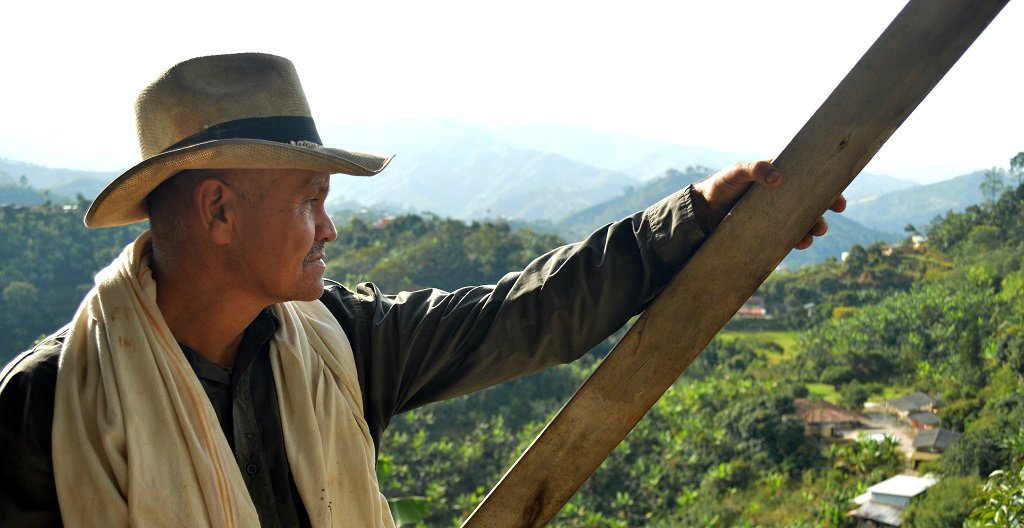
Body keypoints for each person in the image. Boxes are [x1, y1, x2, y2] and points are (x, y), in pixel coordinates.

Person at [0, 52, 845, 527]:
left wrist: (699, 218)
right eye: (311, 201)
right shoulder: (52, 409)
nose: (329, 230)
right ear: (218, 210)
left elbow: (529, 314)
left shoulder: (339, 343)